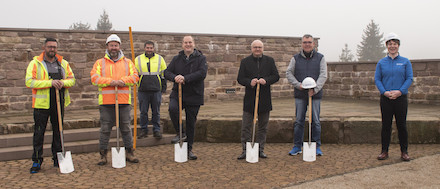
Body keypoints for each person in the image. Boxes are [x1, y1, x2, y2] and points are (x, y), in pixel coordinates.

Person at [26, 38, 76, 173]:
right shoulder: (35, 63)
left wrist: (62, 83)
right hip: (41, 105)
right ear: (44, 47)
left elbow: (72, 80)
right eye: (49, 47)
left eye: (54, 47)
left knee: (58, 132)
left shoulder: (63, 63)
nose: (52, 49)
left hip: (58, 102)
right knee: (39, 133)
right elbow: (29, 82)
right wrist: (50, 83)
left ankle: (57, 158)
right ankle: (36, 161)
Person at [90, 34, 140, 165]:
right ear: (107, 46)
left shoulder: (128, 62)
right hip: (106, 102)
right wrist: (111, 82)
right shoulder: (100, 63)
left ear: (119, 46)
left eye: (116, 45)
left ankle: (129, 153)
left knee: (125, 128)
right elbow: (94, 78)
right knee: (105, 129)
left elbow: (135, 77)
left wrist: (123, 81)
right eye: (111, 45)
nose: (114, 48)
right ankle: (103, 155)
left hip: (123, 101)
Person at [164, 36, 207, 160]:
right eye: (185, 43)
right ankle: (180, 133)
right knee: (172, 109)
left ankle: (189, 150)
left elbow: (201, 73)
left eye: (190, 42)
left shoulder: (201, 58)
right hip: (178, 93)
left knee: (190, 123)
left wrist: (185, 78)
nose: (188, 44)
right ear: (182, 44)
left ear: (193, 44)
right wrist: (175, 77)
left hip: (194, 94)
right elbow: (166, 72)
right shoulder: (177, 59)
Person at [236, 39, 280, 160]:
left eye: (259, 47)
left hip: (264, 99)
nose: (257, 49)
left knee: (263, 127)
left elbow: (276, 76)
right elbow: (240, 78)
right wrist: (250, 82)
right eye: (255, 47)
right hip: (250, 99)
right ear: (251, 49)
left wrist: (266, 80)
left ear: (263, 48)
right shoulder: (245, 62)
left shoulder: (269, 61)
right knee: (246, 126)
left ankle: (260, 149)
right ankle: (245, 150)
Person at [286, 34, 327, 156]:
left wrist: (315, 89)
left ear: (313, 44)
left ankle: (316, 146)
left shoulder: (320, 58)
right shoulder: (295, 58)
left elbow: (323, 75)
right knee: (299, 121)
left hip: (315, 95)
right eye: (305, 42)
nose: (307, 44)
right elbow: (289, 73)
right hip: (300, 94)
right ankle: (297, 146)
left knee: (315, 121)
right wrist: (298, 85)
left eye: (309, 42)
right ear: (302, 44)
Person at [375, 32, 413, 161]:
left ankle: (404, 152)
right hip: (386, 98)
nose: (392, 46)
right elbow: (377, 79)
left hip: (400, 98)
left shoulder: (405, 62)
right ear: (387, 46)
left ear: (398, 46)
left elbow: (409, 78)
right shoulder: (381, 63)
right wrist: (384, 92)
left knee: (401, 125)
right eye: (390, 44)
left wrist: (400, 91)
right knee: (386, 125)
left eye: (395, 44)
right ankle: (384, 151)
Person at [135, 41, 167, 139]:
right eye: (147, 48)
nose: (149, 49)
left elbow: (163, 74)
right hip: (143, 90)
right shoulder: (138, 59)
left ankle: (156, 130)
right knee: (143, 111)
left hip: (156, 89)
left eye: (151, 48)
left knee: (156, 111)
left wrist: (163, 86)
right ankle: (143, 130)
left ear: (154, 48)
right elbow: (134, 74)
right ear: (144, 48)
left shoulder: (160, 59)